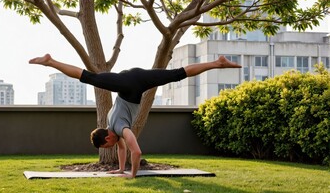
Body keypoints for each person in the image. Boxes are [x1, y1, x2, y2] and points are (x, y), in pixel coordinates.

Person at [29, 53, 241, 178]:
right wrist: (121, 169)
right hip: (132, 78)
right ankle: (217, 63)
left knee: (89, 78)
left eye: (105, 146)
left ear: (107, 138)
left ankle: (51, 61)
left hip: (129, 85)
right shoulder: (111, 123)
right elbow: (122, 147)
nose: (109, 148)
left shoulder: (120, 127)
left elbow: (136, 151)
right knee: (177, 74)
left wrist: (132, 174)